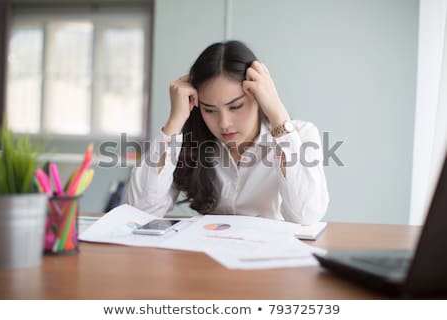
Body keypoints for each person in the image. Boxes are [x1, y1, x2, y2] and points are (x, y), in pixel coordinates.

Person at [125, 40, 329, 224]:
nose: (224, 123)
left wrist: (277, 113)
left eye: (236, 106)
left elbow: (306, 215)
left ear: (259, 96)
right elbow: (141, 211)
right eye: (210, 110)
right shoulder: (188, 140)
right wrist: (174, 121)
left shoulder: (302, 135)